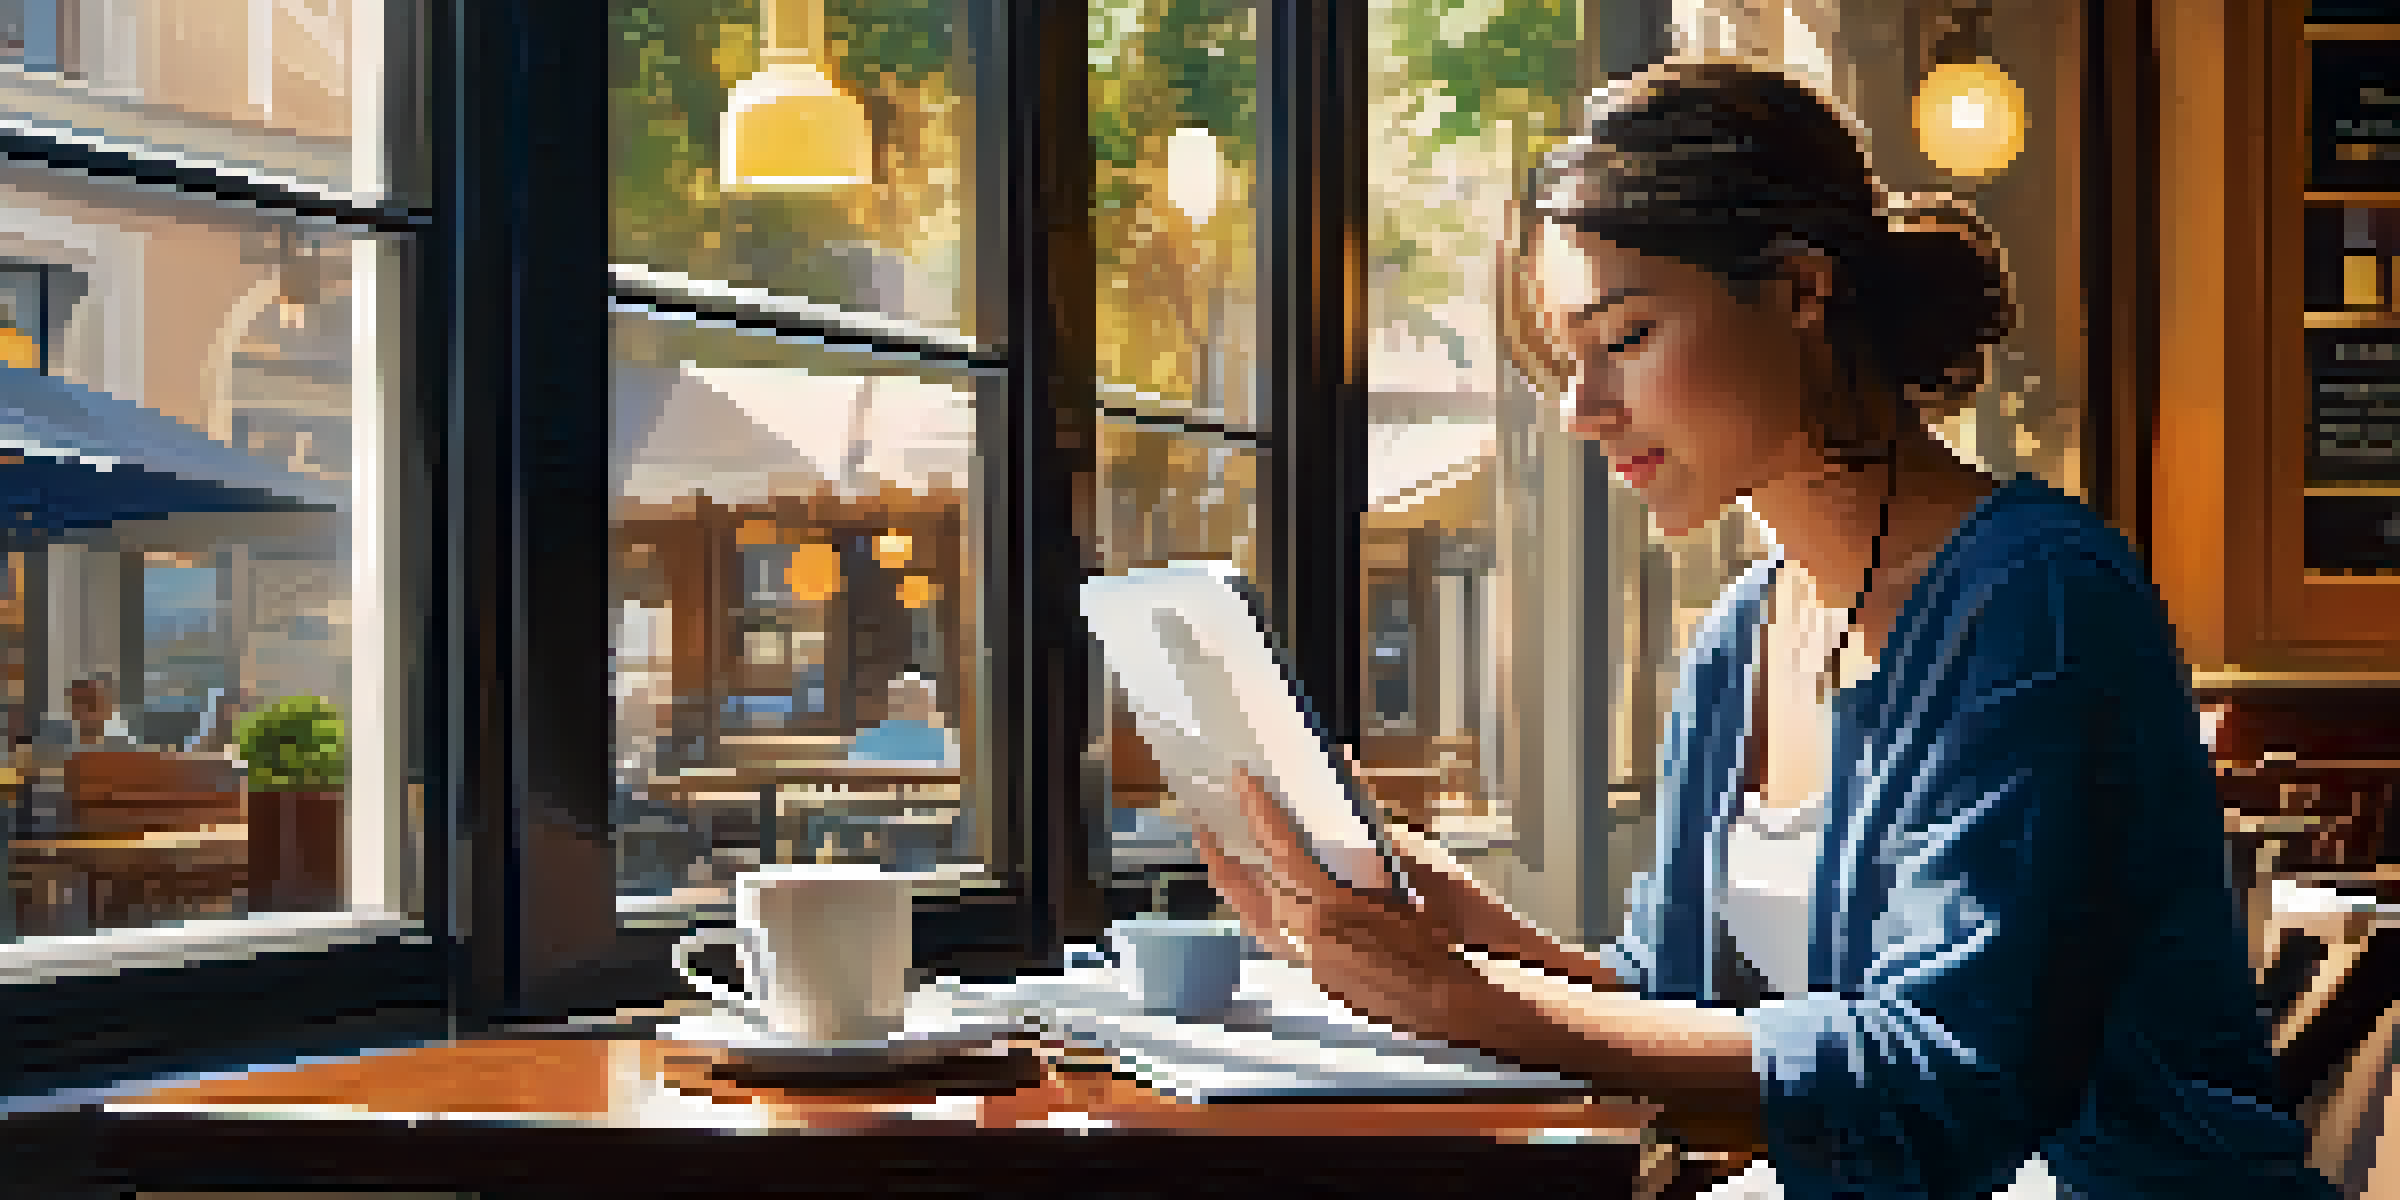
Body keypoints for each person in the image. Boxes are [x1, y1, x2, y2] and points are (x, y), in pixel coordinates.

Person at [1194, 59, 2332, 1200]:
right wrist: (1458, 923)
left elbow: (1948, 1076)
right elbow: (1673, 1009)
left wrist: (1456, 994)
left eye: (1626, 336)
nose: (1583, 411)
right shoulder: (1743, 637)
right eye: (1568, 359)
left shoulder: (2039, 597)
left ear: (1799, 289)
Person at [847, 670, 955, 764]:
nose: (909, 703)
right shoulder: (872, 737)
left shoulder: (939, 739)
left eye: (916, 697)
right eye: (906, 697)